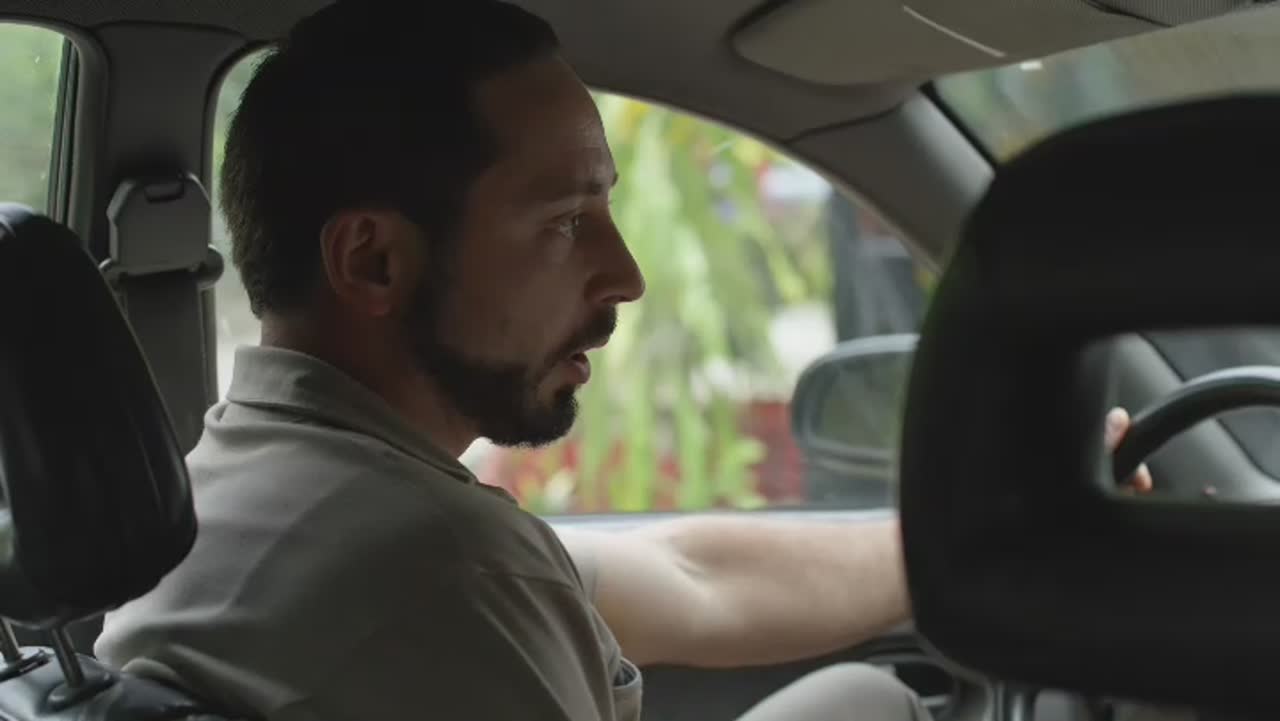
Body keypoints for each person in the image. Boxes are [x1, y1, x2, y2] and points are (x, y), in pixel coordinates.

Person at [93, 2, 1152, 720]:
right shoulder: (440, 571)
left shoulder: (237, 483)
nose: (626, 276)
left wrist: (985, 530)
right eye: (565, 221)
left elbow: (687, 576)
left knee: (865, 700)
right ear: (373, 260)